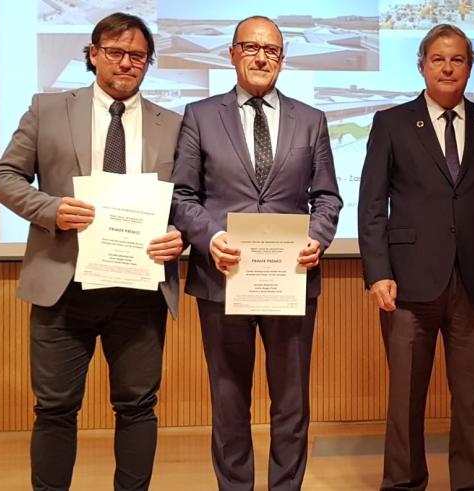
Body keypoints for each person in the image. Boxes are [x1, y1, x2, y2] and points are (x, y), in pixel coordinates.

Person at [0, 12, 183, 491]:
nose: (126, 63)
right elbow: (3, 178)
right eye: (115, 52)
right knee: (55, 409)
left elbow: (191, 200)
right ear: (93, 54)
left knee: (137, 406)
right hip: (63, 283)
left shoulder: (175, 124)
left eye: (137, 55)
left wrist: (183, 236)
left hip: (139, 289)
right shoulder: (48, 108)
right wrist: (50, 208)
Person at [169, 15, 342, 491]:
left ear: (282, 59)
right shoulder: (200, 115)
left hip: (290, 279)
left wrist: (318, 237)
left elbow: (326, 197)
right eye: (250, 47)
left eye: (272, 50)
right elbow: (183, 196)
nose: (262, 57)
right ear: (231, 54)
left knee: (291, 403)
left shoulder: (312, 119)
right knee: (228, 401)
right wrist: (210, 239)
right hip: (221, 279)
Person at [358, 23, 474, 491]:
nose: (448, 68)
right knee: (406, 395)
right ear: (422, 66)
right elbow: (371, 205)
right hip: (407, 283)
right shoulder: (390, 122)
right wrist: (377, 273)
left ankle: (469, 481)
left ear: (471, 66)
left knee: (472, 396)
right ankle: (404, 482)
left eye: (459, 60)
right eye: (438, 59)